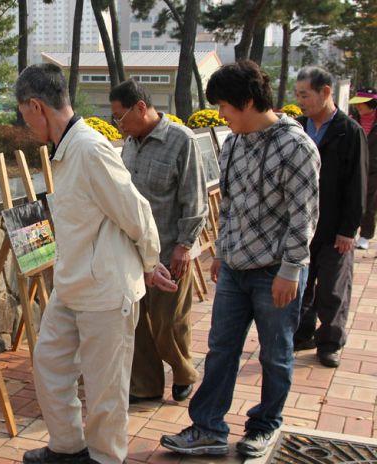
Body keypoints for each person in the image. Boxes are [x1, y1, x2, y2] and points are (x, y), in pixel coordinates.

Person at [15, 63, 177, 464]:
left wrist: (149, 262)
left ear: (36, 107)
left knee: (106, 388)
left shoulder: (89, 149)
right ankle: (68, 447)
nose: (25, 124)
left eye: (24, 115)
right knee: (49, 364)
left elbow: (135, 211)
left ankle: (105, 458)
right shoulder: (65, 150)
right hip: (72, 284)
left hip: (106, 290)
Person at [161, 60, 319, 458]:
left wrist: (290, 270)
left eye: (224, 106)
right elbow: (229, 206)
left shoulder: (296, 147)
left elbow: (304, 217)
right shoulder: (233, 144)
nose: (220, 115)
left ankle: (265, 425)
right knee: (221, 349)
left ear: (248, 102)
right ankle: (208, 428)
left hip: (276, 273)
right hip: (234, 268)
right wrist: (222, 252)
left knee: (275, 354)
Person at [110, 79, 208, 404]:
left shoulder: (181, 140)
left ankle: (183, 373)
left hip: (170, 251)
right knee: (136, 322)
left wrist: (184, 245)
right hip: (135, 253)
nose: (118, 125)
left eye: (120, 117)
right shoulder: (130, 144)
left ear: (141, 107)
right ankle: (145, 385)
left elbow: (195, 198)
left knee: (169, 322)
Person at [293, 67, 368, 368]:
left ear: (325, 92)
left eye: (305, 95)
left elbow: (357, 184)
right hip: (302, 226)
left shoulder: (349, 131)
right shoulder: (298, 128)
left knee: (332, 290)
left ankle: (330, 342)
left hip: (335, 226)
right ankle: (302, 334)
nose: (300, 102)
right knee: (302, 286)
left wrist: (348, 229)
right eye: (298, 95)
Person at [350, 88, 377, 250]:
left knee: (369, 202)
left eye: (361, 103)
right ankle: (350, 230)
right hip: (354, 165)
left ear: (371, 103)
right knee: (352, 199)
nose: (358, 106)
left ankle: (365, 235)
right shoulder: (353, 120)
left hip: (373, 169)